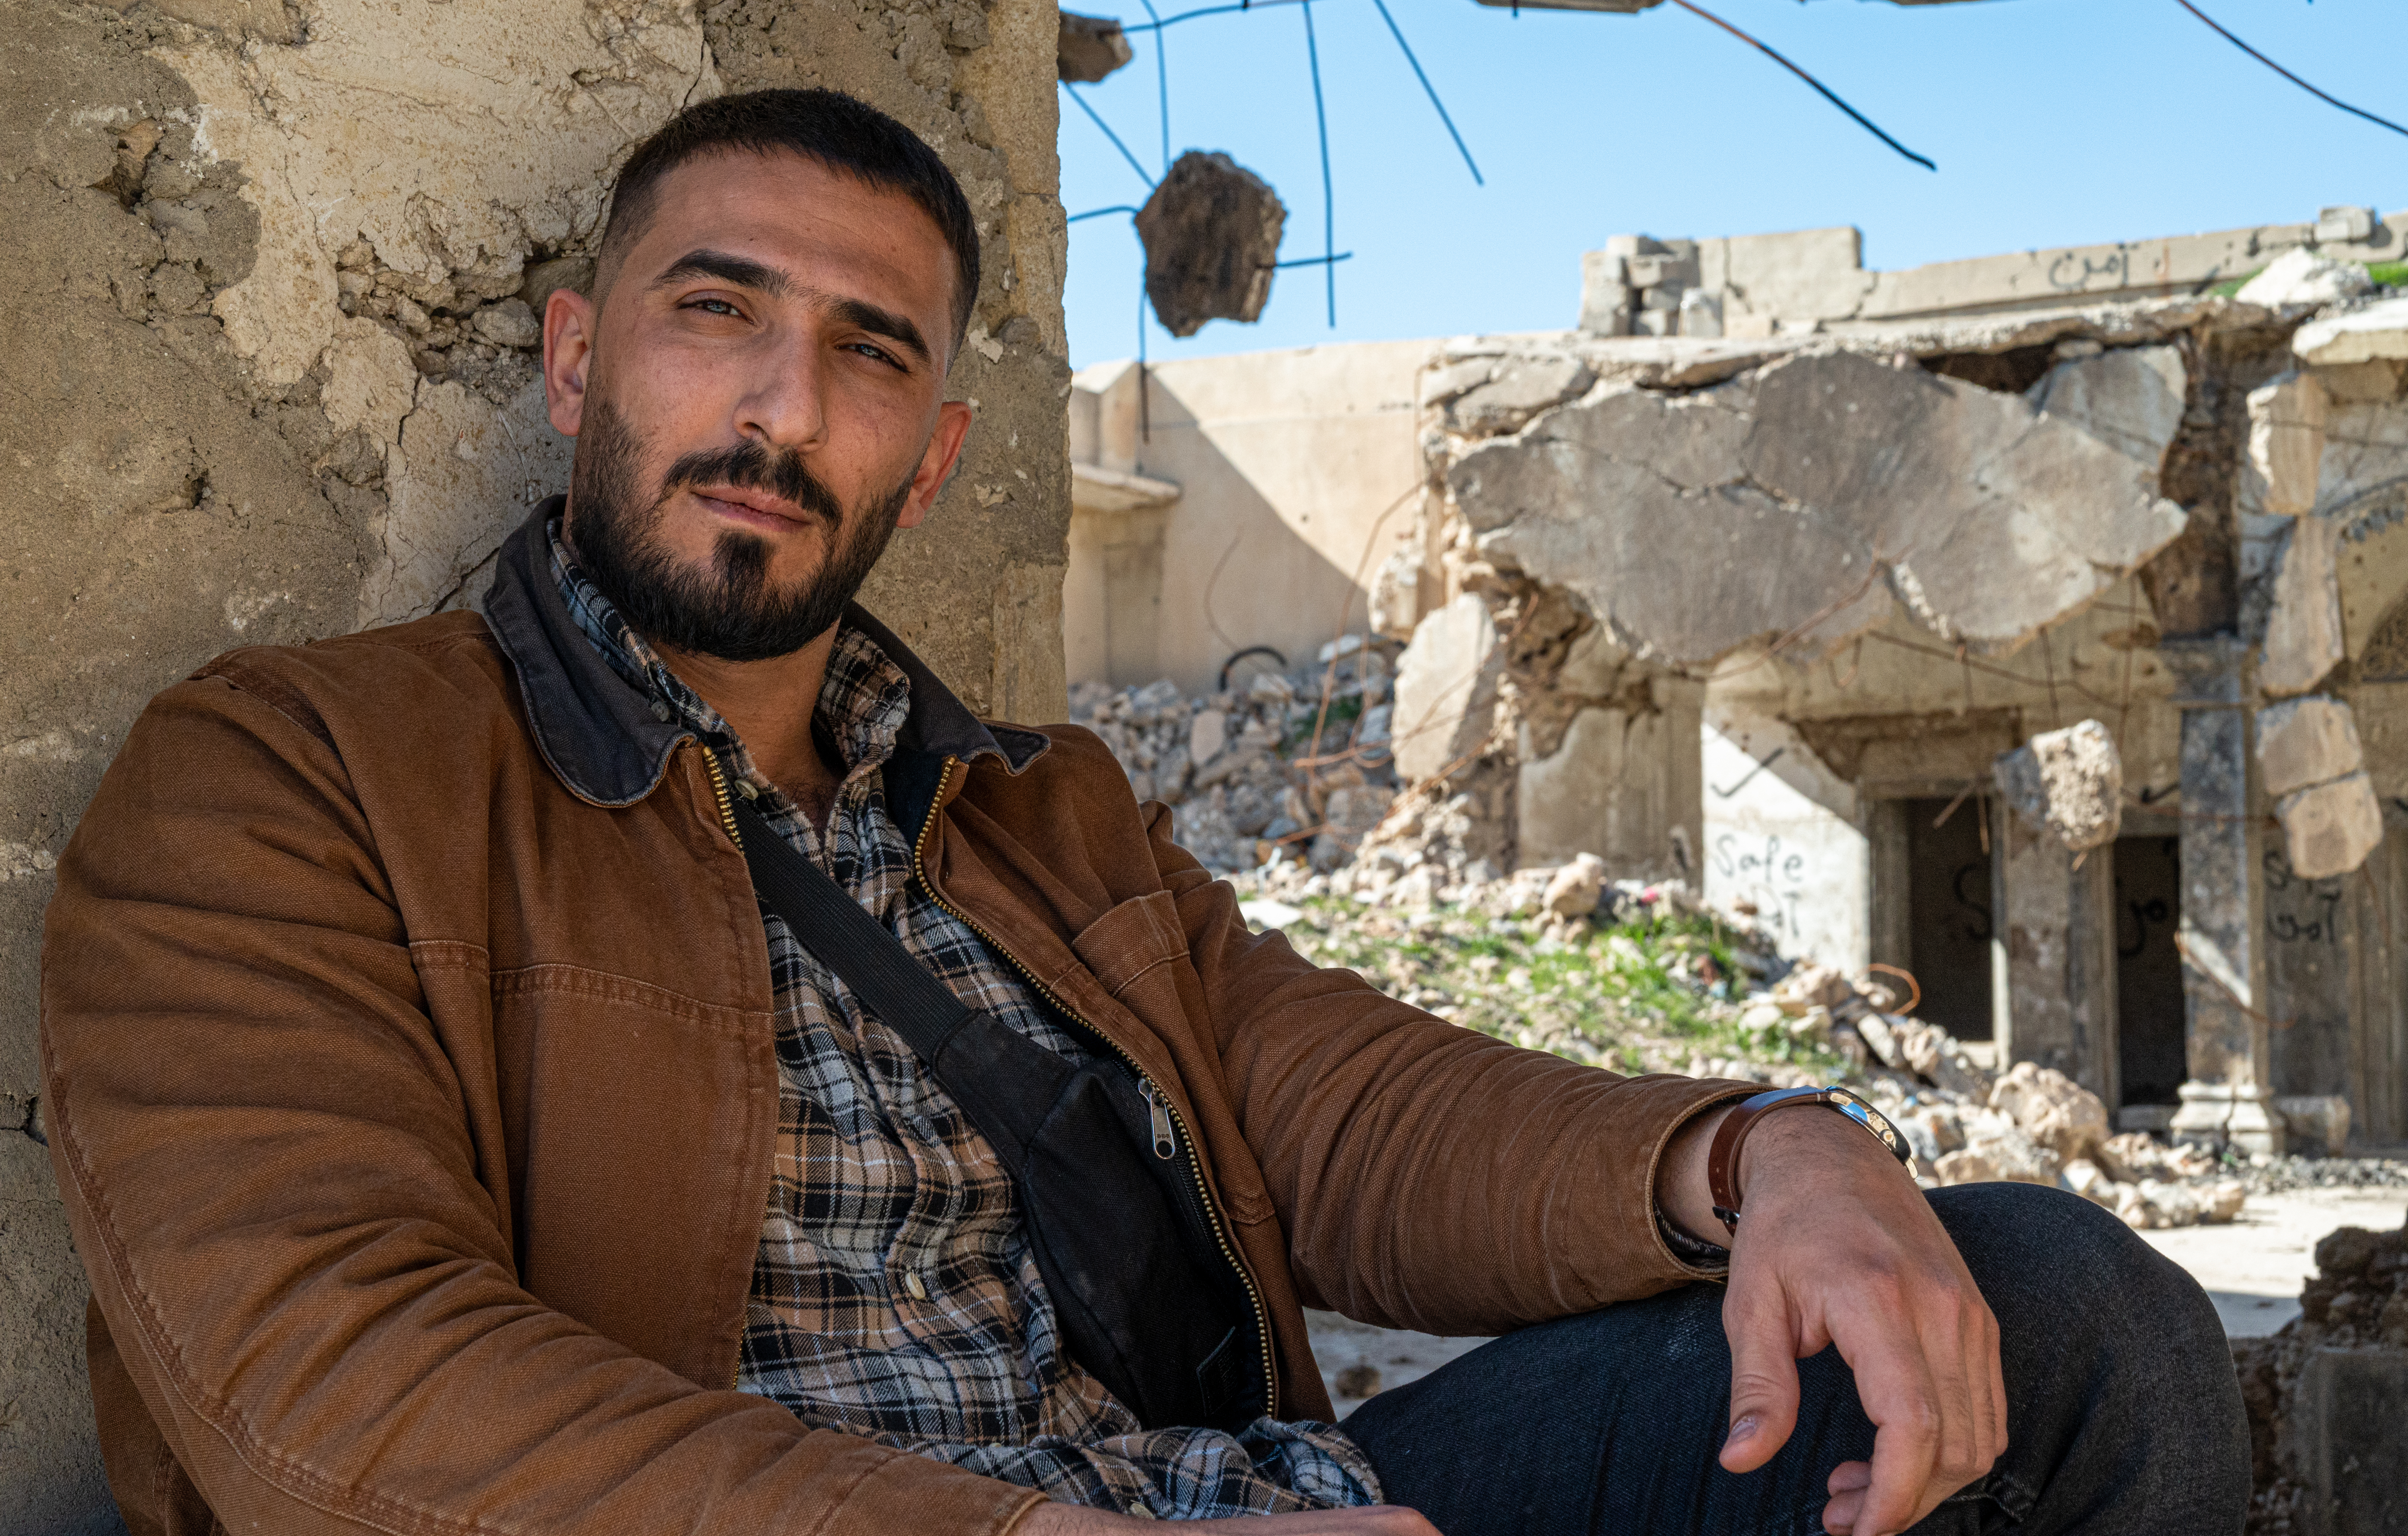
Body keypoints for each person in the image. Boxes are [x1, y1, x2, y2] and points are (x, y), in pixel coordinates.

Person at [41, 88, 2248, 1536]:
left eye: (870, 352)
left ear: (933, 458)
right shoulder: (292, 778)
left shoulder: (1032, 808)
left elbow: (1343, 1111)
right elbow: (324, 1372)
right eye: (716, 313)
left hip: (1241, 1498)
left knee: (2052, 1301)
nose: (783, 405)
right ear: (574, 360)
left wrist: (1767, 1149)